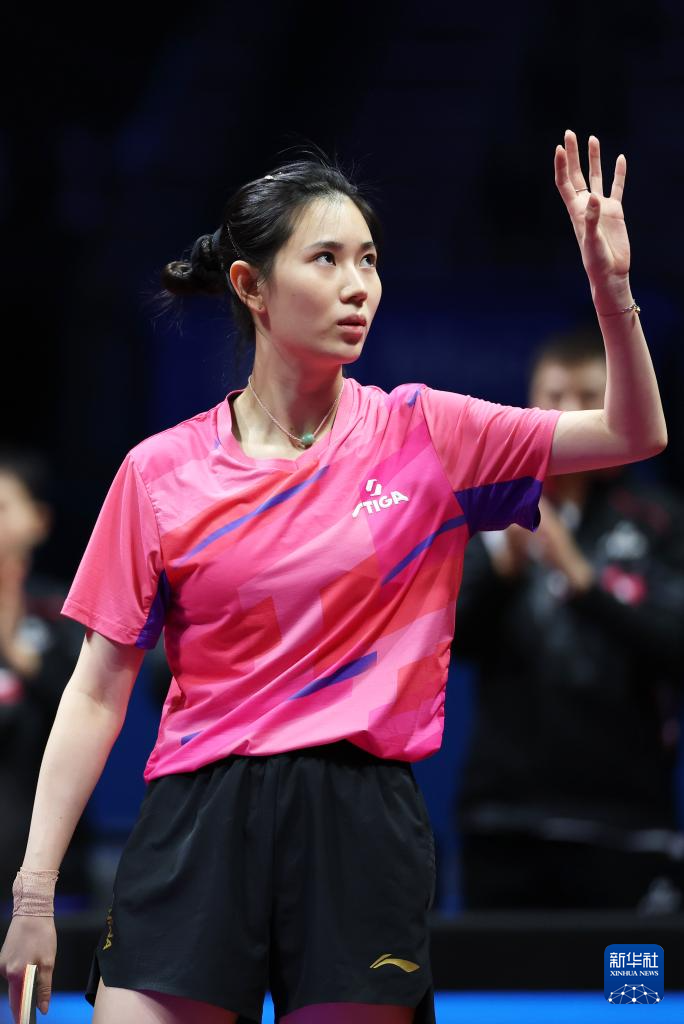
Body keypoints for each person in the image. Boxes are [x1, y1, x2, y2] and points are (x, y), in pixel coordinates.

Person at [0, 131, 667, 1024]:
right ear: (252, 286)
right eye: (327, 259)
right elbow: (95, 692)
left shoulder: (426, 434)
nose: (360, 285)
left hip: (358, 819)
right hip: (199, 818)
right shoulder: (159, 473)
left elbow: (632, 433)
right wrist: (35, 895)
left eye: (370, 260)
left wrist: (612, 292)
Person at [454, 329, 684, 912]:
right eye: (553, 397)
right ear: (529, 406)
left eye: (587, 396)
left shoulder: (659, 520)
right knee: (501, 977)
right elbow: (449, 644)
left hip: (625, 825)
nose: (568, 413)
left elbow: (675, 644)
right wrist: (500, 573)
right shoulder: (492, 516)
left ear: (616, 405)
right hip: (505, 823)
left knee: (628, 978)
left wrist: (584, 583)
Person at [0, 448, 88, 908]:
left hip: (47, 882)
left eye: (1, 507)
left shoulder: (65, 613)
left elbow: (86, 706)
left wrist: (14, 646)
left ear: (39, 521)